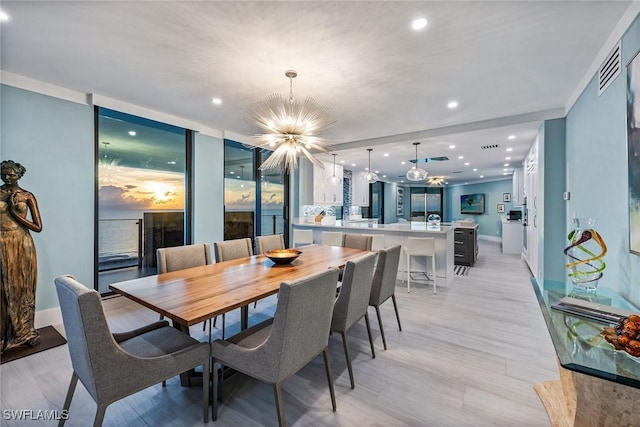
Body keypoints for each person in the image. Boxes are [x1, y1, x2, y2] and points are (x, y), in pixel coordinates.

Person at [1, 160, 43, 353]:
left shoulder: (27, 196)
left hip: (22, 243)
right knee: (3, 288)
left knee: (24, 286)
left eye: (11, 174)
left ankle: (25, 331)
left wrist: (13, 212)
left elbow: (38, 227)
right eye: (3, 174)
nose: (7, 177)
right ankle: (4, 334)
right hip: (2, 242)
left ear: (19, 174)